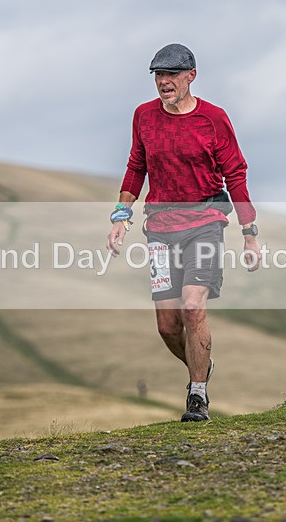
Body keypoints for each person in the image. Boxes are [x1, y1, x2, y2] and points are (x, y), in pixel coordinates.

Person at [106, 43, 261, 422]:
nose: (164, 82)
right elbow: (136, 166)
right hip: (160, 229)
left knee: (193, 307)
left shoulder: (214, 119)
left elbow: (235, 174)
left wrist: (249, 231)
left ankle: (197, 395)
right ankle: (201, 366)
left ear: (191, 76)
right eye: (159, 75)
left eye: (172, 74)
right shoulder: (143, 116)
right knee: (168, 325)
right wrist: (120, 217)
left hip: (205, 223)